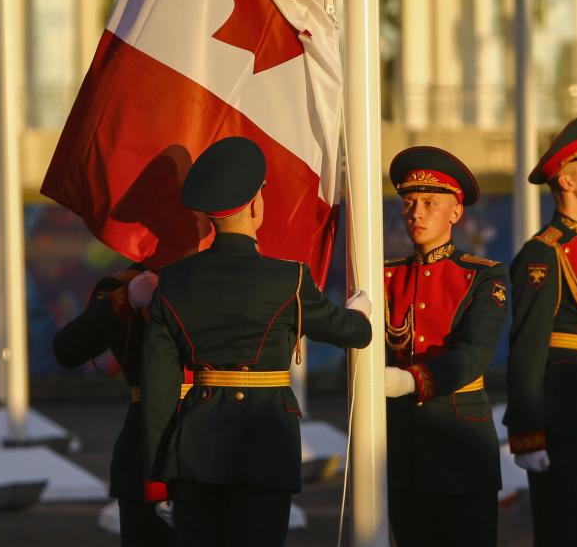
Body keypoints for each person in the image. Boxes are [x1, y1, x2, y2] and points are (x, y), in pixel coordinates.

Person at [141, 136, 373, 547]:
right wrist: (361, 310)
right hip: (267, 446)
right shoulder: (289, 279)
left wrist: (159, 480)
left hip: (197, 449)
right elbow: (354, 334)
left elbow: (159, 390)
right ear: (254, 205)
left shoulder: (172, 282)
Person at [382, 146, 509, 547]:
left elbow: (474, 355)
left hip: (460, 447)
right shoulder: (383, 275)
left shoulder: (483, 277)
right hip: (402, 447)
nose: (416, 212)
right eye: (409, 201)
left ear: (456, 213)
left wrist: (408, 382)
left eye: (430, 203)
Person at [503, 118, 577, 547]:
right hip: (558, 419)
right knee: (557, 535)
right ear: (566, 181)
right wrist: (527, 434)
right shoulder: (543, 254)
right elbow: (527, 350)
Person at [52, 263, 173, 547]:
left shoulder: (230, 273)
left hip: (219, 446)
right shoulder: (126, 284)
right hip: (145, 450)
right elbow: (68, 349)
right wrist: (127, 299)